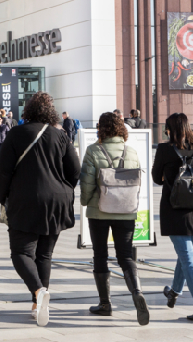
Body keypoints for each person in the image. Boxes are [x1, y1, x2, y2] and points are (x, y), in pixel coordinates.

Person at [0, 92, 80, 327]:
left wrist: (4, 198)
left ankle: (38, 291)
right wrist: (62, 188)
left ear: (28, 110)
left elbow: (4, 171)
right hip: (57, 200)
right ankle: (38, 304)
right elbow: (75, 170)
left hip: (24, 199)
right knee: (44, 254)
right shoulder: (60, 135)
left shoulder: (16, 134)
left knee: (21, 252)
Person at [80, 112, 148, 324]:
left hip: (99, 211)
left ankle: (105, 304)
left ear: (101, 129)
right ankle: (137, 292)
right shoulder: (131, 151)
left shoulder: (93, 150)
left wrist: (85, 201)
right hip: (126, 210)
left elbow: (87, 183)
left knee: (100, 254)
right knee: (126, 256)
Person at [152, 112, 193, 321]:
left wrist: (169, 178)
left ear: (170, 129)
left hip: (174, 209)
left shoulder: (164, 149)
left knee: (188, 259)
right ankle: (174, 292)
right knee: (185, 256)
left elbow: (156, 178)